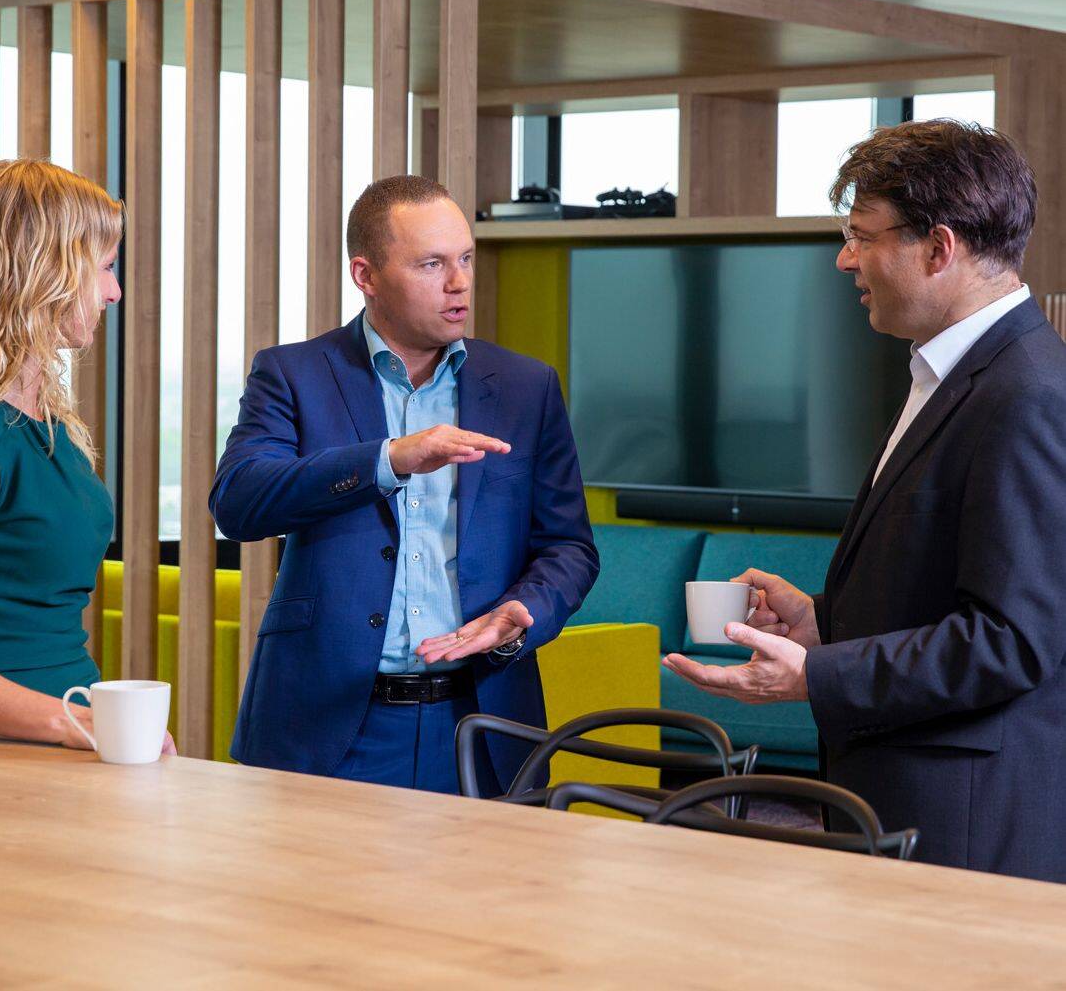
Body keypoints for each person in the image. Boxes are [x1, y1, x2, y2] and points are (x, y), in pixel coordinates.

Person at [663, 120, 1066, 881]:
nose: (844, 259)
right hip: (908, 801)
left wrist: (815, 676)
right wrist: (824, 625)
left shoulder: (1028, 395)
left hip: (960, 824)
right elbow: (946, 588)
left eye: (860, 236)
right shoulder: (953, 374)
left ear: (939, 248)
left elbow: (1010, 640)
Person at [211, 174, 598, 794]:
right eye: (432, 264)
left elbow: (569, 545)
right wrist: (389, 459)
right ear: (365, 275)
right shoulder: (293, 373)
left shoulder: (526, 387)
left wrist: (526, 611)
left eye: (466, 259)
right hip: (329, 722)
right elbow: (239, 502)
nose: (459, 282)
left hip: (483, 720)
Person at [0, 158, 174, 756]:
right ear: (41, 270)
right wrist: (75, 724)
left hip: (65, 733)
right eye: (105, 267)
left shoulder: (50, 426)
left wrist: (96, 724)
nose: (114, 291)